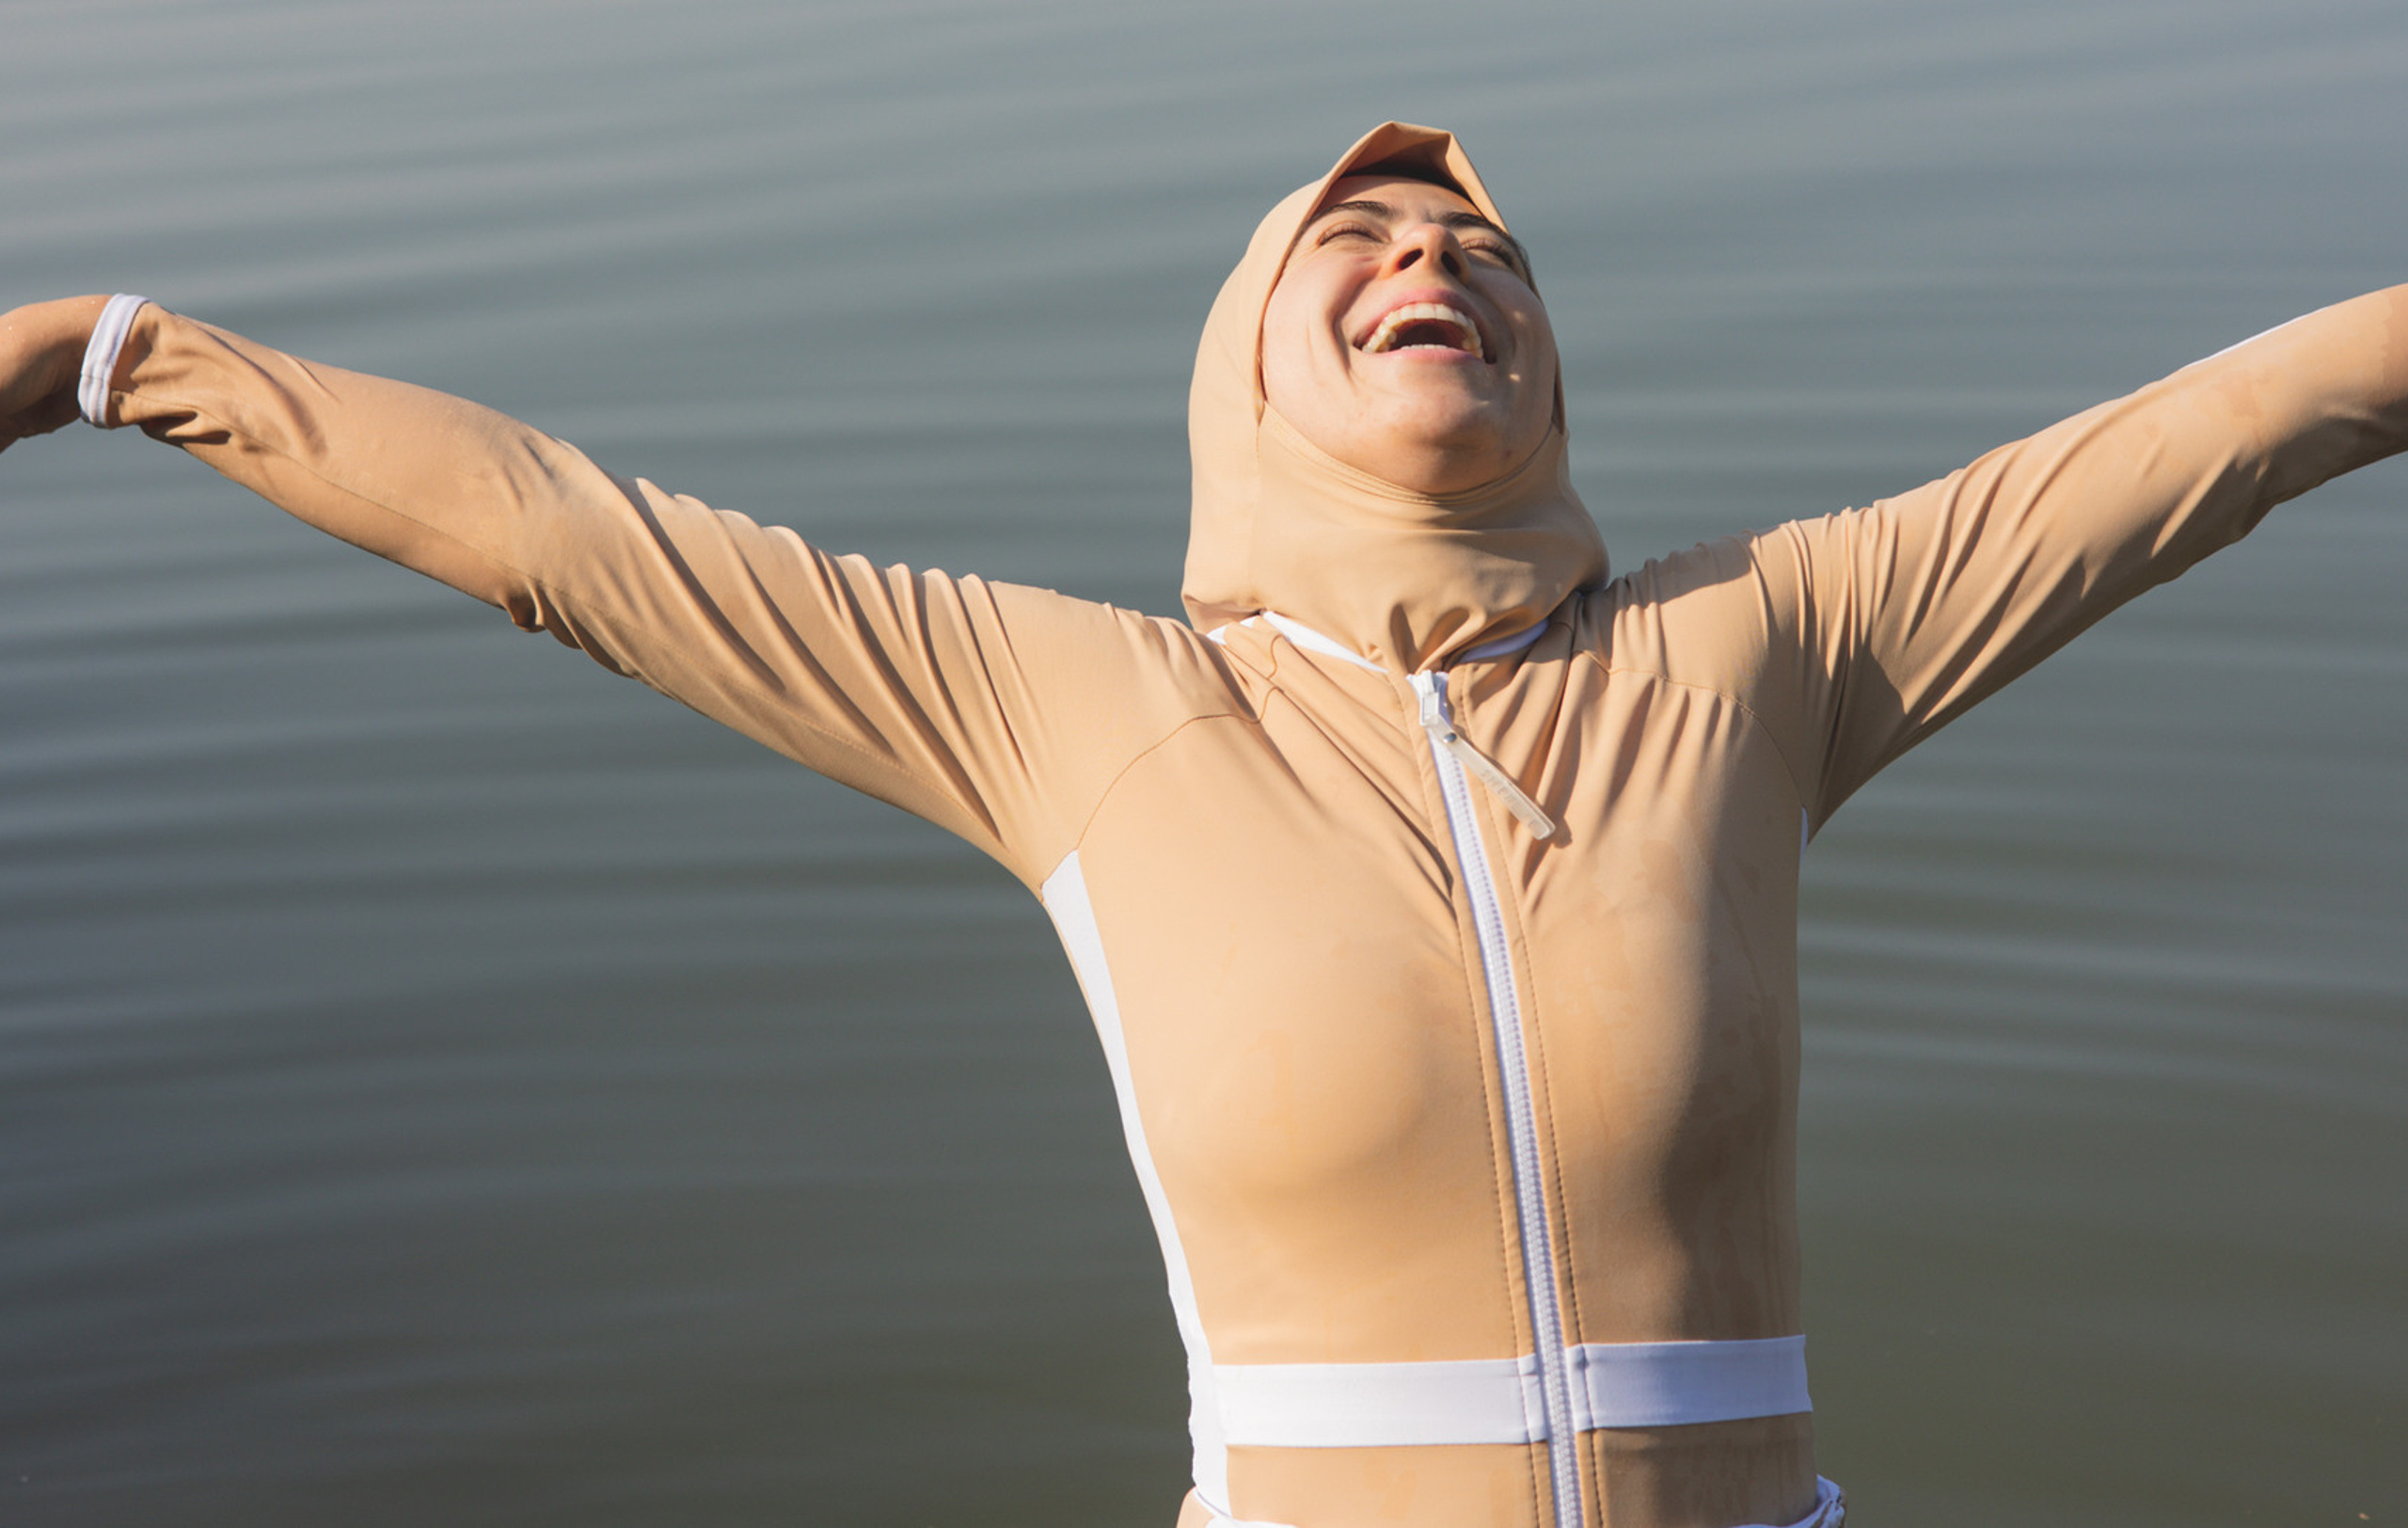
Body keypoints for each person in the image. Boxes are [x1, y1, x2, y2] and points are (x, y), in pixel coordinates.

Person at [5, 119, 2403, 1528]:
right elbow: (569, 532)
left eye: (1480, 251)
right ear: (1239, 374)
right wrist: (125, 359)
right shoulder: (1082, 706)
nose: (1432, 260)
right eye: (1351, 254)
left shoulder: (1752, 651)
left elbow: (2212, 434)